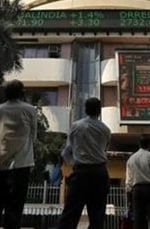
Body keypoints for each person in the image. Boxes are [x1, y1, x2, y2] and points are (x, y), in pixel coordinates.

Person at [0, 80, 38, 229]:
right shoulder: (30, 110)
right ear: (22, 93)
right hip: (20, 165)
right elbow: (33, 136)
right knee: (14, 211)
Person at [57, 97, 111, 229]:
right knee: (97, 215)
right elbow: (105, 149)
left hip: (81, 173)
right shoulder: (106, 130)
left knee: (70, 214)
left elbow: (66, 152)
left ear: (85, 110)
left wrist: (74, 163)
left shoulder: (76, 126)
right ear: (99, 111)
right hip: (100, 173)